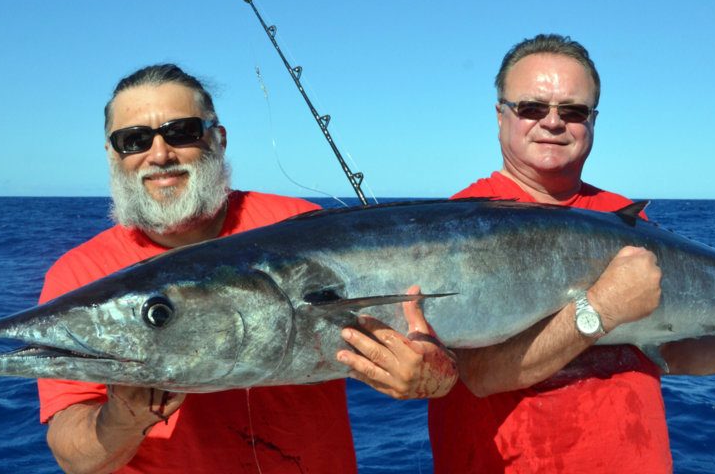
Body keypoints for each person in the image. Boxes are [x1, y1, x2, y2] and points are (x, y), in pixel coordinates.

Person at [427, 34, 715, 473]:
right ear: (500, 117)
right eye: (532, 107)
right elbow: (478, 374)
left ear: (592, 122)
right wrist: (601, 309)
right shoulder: (454, 229)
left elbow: (674, 352)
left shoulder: (623, 217)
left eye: (572, 111)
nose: (552, 122)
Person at [38, 63, 456, 474]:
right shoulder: (79, 274)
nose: (160, 154)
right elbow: (75, 458)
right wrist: (121, 419)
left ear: (218, 139)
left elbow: (432, 344)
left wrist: (431, 374)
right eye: (134, 140)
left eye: (182, 132)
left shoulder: (299, 227)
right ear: (113, 155)